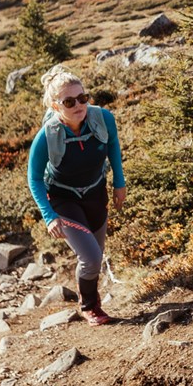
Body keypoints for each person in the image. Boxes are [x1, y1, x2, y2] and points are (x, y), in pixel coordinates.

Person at [27, 64, 126, 326]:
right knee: (91, 258)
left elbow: (113, 146)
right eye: (69, 102)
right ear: (55, 105)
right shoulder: (46, 136)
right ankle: (89, 307)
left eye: (82, 98)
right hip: (63, 200)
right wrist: (49, 216)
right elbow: (34, 178)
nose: (79, 105)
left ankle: (90, 298)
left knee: (96, 255)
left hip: (96, 193)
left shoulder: (103, 118)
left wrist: (119, 182)